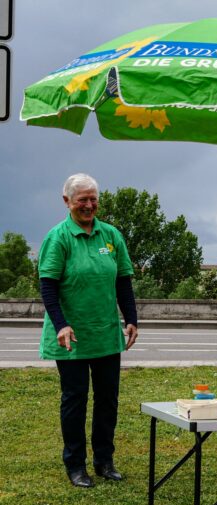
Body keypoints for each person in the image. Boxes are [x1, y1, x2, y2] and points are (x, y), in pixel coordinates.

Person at [39, 173, 138, 488]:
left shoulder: (110, 236)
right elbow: (48, 286)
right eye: (82, 199)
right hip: (70, 337)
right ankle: (75, 465)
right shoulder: (59, 237)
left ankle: (105, 461)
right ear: (67, 201)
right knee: (75, 399)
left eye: (93, 198)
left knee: (108, 399)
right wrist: (61, 324)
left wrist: (131, 318)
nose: (89, 204)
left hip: (106, 334)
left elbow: (123, 280)